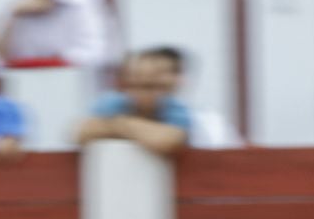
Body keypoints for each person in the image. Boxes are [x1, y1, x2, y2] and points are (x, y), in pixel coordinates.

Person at [77, 47, 236, 156]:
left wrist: (117, 125)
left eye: (151, 86)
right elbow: (80, 133)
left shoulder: (184, 111)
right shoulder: (113, 102)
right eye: (134, 85)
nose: (143, 93)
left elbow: (167, 140)